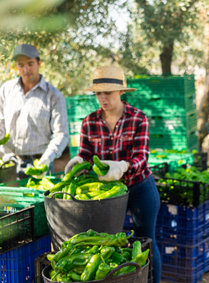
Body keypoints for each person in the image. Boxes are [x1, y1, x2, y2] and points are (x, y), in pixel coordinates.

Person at [63, 65, 161, 282]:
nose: (103, 98)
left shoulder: (138, 118)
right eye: (99, 93)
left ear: (121, 92)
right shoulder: (89, 122)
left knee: (146, 240)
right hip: (108, 195)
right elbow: (86, 155)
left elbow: (141, 158)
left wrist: (123, 166)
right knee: (104, 244)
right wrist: (80, 161)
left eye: (108, 92)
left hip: (139, 187)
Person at [0, 43, 69, 178]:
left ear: (39, 63)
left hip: (41, 162)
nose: (26, 69)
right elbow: (0, 123)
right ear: (17, 66)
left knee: (40, 199)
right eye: (21, 65)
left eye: (30, 64)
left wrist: (46, 159)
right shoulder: (5, 90)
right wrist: (5, 154)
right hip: (10, 164)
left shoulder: (54, 95)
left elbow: (61, 134)